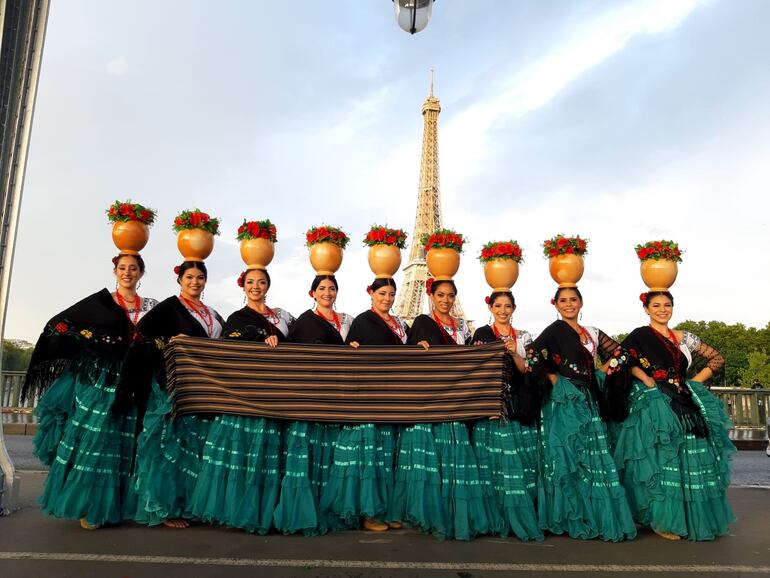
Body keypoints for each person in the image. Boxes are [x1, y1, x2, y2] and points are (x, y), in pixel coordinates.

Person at [22, 254, 157, 529]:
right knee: (94, 440)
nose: (127, 273)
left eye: (133, 269)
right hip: (100, 382)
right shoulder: (100, 303)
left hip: (133, 382)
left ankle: (112, 505)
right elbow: (61, 324)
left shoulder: (151, 307)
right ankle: (87, 504)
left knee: (123, 443)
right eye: (122, 268)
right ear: (115, 271)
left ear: (142, 273)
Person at [613, 290, 735, 540]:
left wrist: (694, 381)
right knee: (662, 459)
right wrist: (644, 377)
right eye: (656, 305)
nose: (662, 309)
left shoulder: (683, 338)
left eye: (667, 305)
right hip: (656, 401)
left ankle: (689, 517)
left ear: (672, 307)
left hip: (683, 398)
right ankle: (663, 520)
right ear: (646, 309)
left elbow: (717, 358)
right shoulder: (639, 335)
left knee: (691, 453)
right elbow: (620, 360)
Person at [116, 260, 224, 529]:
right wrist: (170, 347)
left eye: (200, 277)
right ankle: (166, 507)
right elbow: (142, 338)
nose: (194, 282)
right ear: (180, 280)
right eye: (189, 277)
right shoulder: (169, 308)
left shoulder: (212, 314)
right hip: (172, 386)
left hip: (202, 389)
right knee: (169, 447)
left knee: (193, 450)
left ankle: (190, 505)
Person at [527, 286, 636, 541]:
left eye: (573, 300)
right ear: (555, 305)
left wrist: (602, 372)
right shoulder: (555, 330)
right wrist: (551, 377)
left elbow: (623, 353)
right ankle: (567, 516)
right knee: (567, 456)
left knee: (592, 457)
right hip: (565, 399)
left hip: (589, 397)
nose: (568, 305)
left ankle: (593, 515)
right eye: (563, 301)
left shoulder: (593, 333)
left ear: (581, 302)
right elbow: (532, 352)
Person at [188, 268, 282, 534]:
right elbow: (228, 348)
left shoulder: (281, 318)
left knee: (261, 455)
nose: (256, 287)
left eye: (262, 282)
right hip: (243, 395)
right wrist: (260, 338)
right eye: (251, 282)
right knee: (239, 454)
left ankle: (259, 511)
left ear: (268, 286)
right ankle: (233, 510)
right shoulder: (237, 318)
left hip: (271, 395)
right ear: (243, 287)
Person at [398, 278, 490, 541]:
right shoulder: (423, 323)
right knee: (436, 458)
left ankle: (453, 514)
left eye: (450, 296)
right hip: (434, 400)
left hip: (457, 400)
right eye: (441, 295)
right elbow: (412, 358)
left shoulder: (462, 327)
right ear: (432, 296)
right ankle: (434, 513)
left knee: (453, 458)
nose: (446, 300)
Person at [320, 277, 407, 532]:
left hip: (391, 398)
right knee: (368, 458)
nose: (387, 298)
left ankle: (384, 509)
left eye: (391, 294)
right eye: (382, 293)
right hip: (368, 399)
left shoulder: (400, 323)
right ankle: (368, 513)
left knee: (385, 458)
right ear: (371, 293)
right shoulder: (362, 321)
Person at [273, 274, 354, 535]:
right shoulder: (303, 322)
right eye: (322, 289)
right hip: (310, 399)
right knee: (307, 456)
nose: (327, 293)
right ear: (312, 293)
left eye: (332, 288)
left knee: (330, 457)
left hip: (338, 399)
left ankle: (328, 507)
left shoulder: (348, 322)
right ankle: (299, 511)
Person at [470, 290, 542, 541]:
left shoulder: (523, 336)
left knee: (518, 463)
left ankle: (518, 516)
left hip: (516, 405)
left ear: (514, 308)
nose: (503, 310)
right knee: (493, 463)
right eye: (498, 306)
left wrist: (513, 351)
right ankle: (495, 516)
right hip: (491, 406)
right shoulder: (481, 334)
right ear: (490, 308)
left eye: (507, 306)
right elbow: (475, 369)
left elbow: (528, 369)